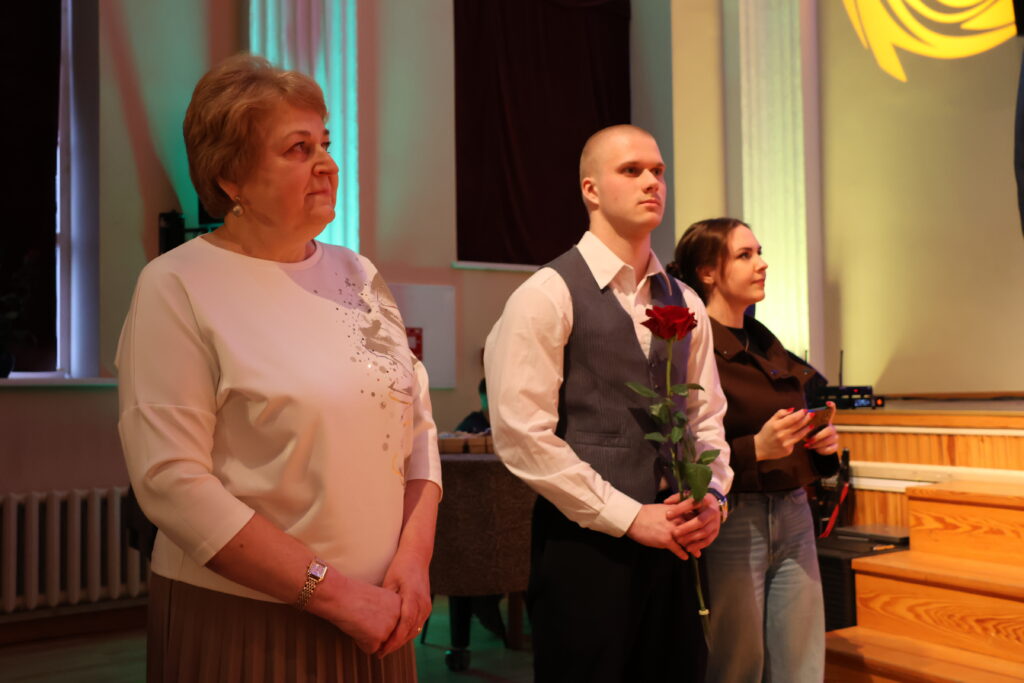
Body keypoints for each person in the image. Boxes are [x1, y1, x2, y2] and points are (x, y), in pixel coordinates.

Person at [117, 55, 442, 683]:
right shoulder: (177, 284)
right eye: (298, 148)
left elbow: (419, 431)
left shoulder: (359, 274)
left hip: (384, 612)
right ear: (231, 176)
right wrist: (336, 596)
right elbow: (171, 481)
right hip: (249, 622)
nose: (327, 164)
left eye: (325, 144)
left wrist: (414, 559)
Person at [484, 125, 732, 683]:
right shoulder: (546, 294)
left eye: (658, 171)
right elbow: (522, 435)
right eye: (632, 170)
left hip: (677, 539)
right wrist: (629, 517)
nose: (652, 182)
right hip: (585, 547)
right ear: (591, 189)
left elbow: (706, 415)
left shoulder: (685, 300)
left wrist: (713, 496)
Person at [669, 217, 840, 683]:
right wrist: (754, 450)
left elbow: (789, 434)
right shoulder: (690, 349)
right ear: (707, 272)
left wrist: (821, 445)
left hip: (793, 510)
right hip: (732, 517)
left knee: (801, 666)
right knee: (738, 666)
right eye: (745, 255)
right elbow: (684, 455)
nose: (762, 264)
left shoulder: (767, 344)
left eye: (759, 252)